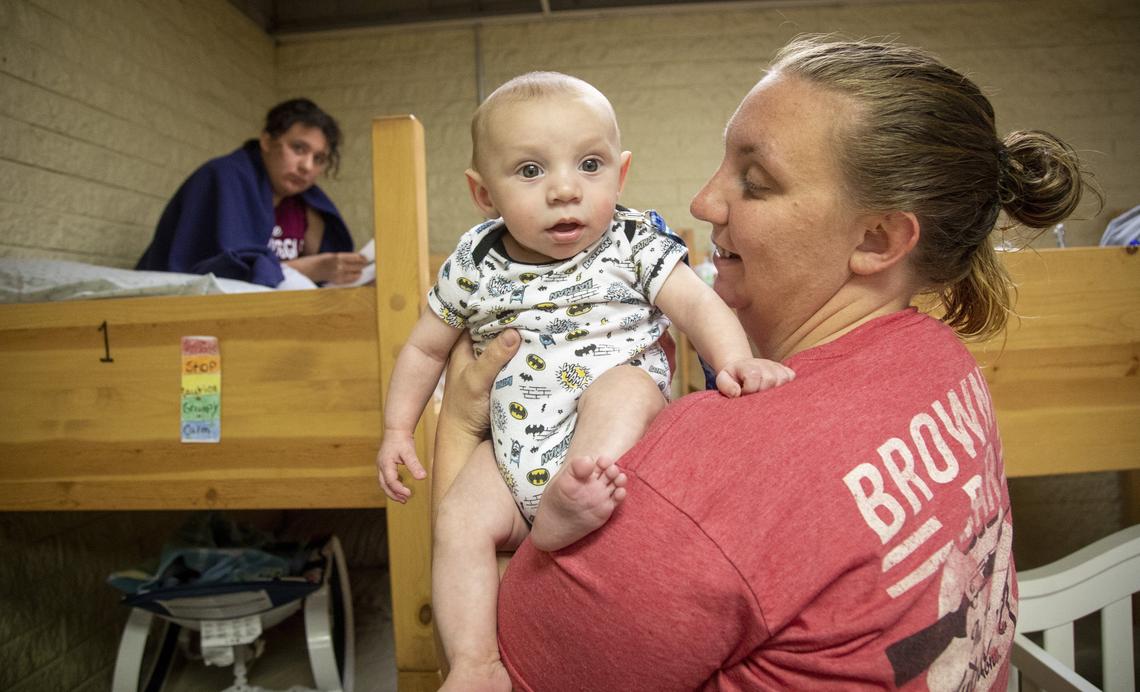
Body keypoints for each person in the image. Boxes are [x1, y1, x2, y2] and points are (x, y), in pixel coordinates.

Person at [432, 36, 1096, 691]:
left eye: (754, 181)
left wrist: (460, 427)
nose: (702, 202)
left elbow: (502, 665)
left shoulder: (699, 482)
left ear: (878, 238)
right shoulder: (937, 358)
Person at [375, 71, 793, 688]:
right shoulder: (473, 262)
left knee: (626, 386)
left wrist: (735, 360)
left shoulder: (631, 242)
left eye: (589, 164)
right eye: (529, 171)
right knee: (459, 520)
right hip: (511, 446)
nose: (565, 190)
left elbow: (699, 307)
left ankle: (569, 504)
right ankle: (475, 662)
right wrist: (396, 426)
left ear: (621, 175)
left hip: (604, 434)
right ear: (482, 193)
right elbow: (422, 348)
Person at [136, 98, 366, 288]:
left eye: (319, 158)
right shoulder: (223, 178)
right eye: (298, 148)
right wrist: (312, 268)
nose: (307, 166)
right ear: (266, 141)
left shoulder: (309, 206)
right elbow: (217, 274)